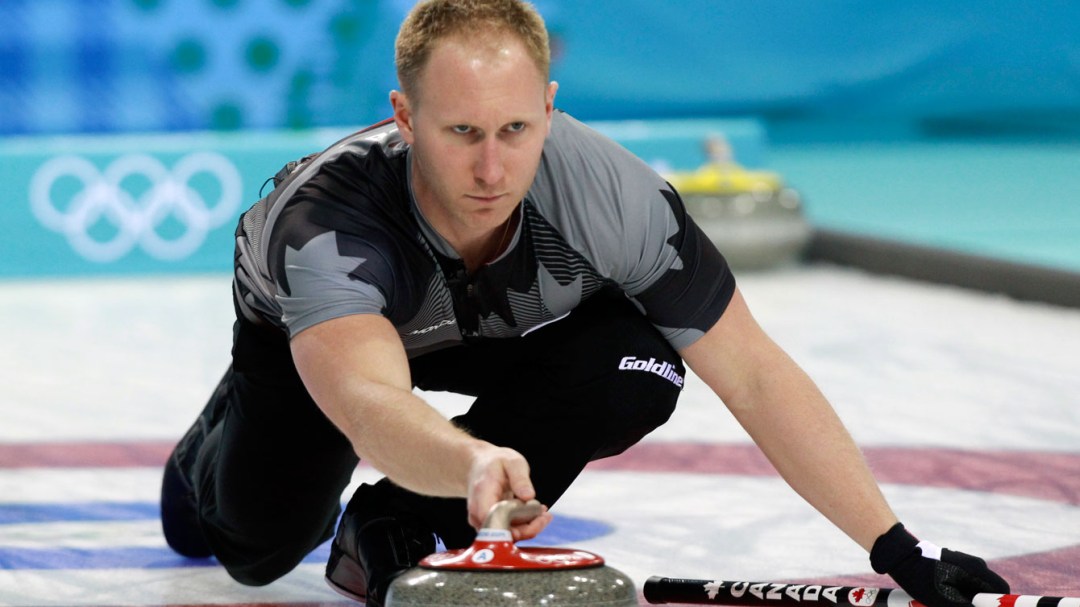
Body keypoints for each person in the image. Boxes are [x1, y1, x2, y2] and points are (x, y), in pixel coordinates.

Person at [159, 1, 1010, 606]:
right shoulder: (327, 227)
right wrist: (470, 463)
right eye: (461, 133)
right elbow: (370, 400)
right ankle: (209, 449)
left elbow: (752, 371)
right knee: (257, 550)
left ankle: (390, 527)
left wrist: (898, 548)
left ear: (550, 109)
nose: (492, 171)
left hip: (498, 326)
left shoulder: (612, 192)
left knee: (637, 365)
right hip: (331, 345)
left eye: (516, 131)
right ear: (406, 117)